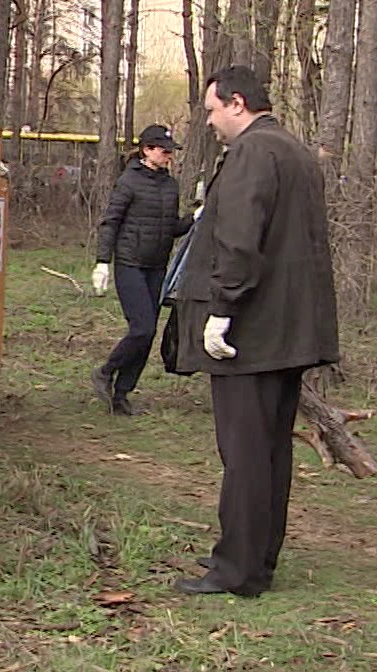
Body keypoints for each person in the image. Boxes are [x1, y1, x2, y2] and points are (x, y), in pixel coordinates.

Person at [165, 65, 338, 597]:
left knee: (243, 452)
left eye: (213, 110)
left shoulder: (252, 154)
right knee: (269, 450)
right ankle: (255, 556)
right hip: (287, 331)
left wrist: (223, 307)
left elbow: (240, 237)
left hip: (252, 332)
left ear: (237, 103)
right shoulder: (293, 151)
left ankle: (237, 570)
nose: (211, 122)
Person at [91, 125, 189, 415]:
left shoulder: (170, 185)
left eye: (171, 151)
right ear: (147, 150)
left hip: (157, 267)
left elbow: (170, 228)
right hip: (130, 263)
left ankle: (122, 394)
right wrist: (102, 261)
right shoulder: (128, 182)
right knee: (142, 327)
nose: (168, 155)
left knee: (148, 334)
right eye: (163, 150)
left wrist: (194, 218)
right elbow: (111, 221)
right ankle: (106, 371)